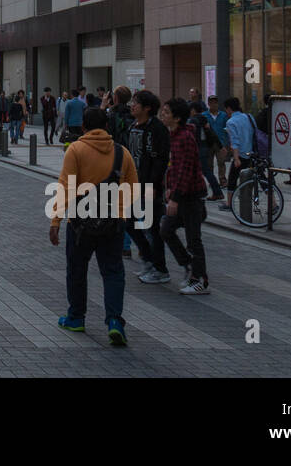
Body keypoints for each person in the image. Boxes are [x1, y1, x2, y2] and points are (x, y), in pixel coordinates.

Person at [49, 107, 138, 347]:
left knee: (77, 269)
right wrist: (121, 212)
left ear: (84, 127)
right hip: (113, 223)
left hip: (80, 223)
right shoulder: (122, 153)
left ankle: (76, 317)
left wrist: (56, 220)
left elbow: (65, 186)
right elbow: (133, 188)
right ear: (107, 127)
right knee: (113, 272)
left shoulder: (76, 149)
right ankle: (115, 322)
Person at [160, 98, 211, 294]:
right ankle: (190, 266)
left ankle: (201, 281)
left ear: (177, 117)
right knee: (166, 229)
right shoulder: (173, 135)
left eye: (166, 112)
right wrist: (169, 188)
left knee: (193, 240)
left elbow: (186, 171)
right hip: (181, 195)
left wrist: (175, 197)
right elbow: (174, 168)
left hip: (190, 197)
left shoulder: (184, 138)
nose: (162, 115)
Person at [126, 90, 170, 282]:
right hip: (132, 185)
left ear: (147, 108)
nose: (132, 106)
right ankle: (148, 260)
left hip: (150, 187)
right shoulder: (132, 126)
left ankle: (160, 269)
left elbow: (160, 160)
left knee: (151, 228)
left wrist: (152, 186)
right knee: (129, 223)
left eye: (136, 103)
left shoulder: (157, 129)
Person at [221, 97, 256, 212]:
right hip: (252, 154)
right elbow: (255, 133)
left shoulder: (231, 122)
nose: (226, 112)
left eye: (226, 109)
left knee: (232, 178)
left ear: (229, 109)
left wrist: (236, 158)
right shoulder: (249, 117)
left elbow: (234, 142)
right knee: (260, 178)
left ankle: (229, 203)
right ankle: (274, 203)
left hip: (241, 155)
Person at [188, 100, 225, 201]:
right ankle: (200, 192)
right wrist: (220, 146)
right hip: (205, 147)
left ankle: (217, 192)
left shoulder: (193, 120)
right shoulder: (204, 118)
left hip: (198, 148)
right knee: (202, 171)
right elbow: (212, 133)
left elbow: (193, 137)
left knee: (206, 171)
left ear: (193, 110)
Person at [206, 95, 230, 199]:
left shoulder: (223, 115)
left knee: (221, 162)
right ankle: (212, 181)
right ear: (208, 103)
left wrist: (228, 143)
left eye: (215, 102)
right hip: (209, 143)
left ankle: (222, 180)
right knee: (209, 164)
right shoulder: (204, 115)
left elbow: (228, 128)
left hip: (221, 143)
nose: (213, 104)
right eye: (211, 102)